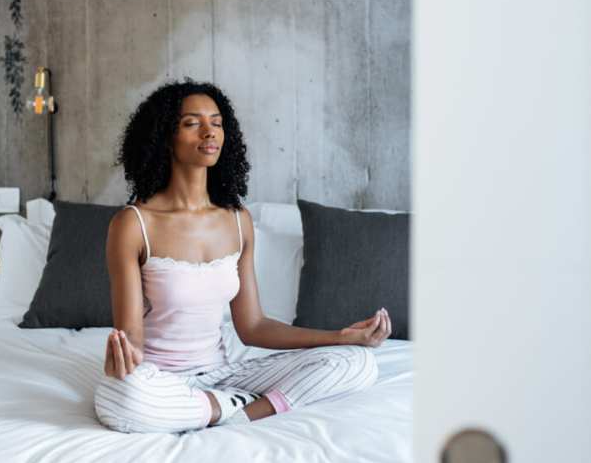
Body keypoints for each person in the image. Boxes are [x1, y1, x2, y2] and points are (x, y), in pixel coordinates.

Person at [93, 79, 391, 434]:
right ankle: (230, 407)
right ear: (164, 138)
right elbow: (132, 337)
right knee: (119, 398)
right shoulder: (132, 224)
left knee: (358, 363)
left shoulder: (237, 220)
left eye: (216, 123)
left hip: (224, 375)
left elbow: (252, 327)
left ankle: (239, 411)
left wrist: (342, 337)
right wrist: (126, 363)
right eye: (192, 123)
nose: (209, 132)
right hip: (162, 379)